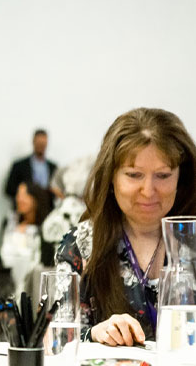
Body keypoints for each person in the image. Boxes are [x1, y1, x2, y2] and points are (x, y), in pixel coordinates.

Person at [55, 108, 196, 346]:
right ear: (111, 178)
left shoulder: (189, 241)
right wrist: (96, 333)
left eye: (162, 176)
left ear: (181, 179)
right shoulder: (80, 245)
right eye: (134, 175)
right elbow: (55, 339)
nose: (149, 191)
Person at [0, 182, 52, 294]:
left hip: (34, 284)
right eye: (18, 195)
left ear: (35, 199)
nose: (20, 199)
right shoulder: (10, 223)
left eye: (25, 195)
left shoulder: (45, 228)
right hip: (9, 282)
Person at [4, 129, 57, 203]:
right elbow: (9, 190)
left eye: (43, 143)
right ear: (33, 142)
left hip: (47, 209)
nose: (41, 146)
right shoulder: (19, 166)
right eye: (38, 143)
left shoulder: (53, 167)